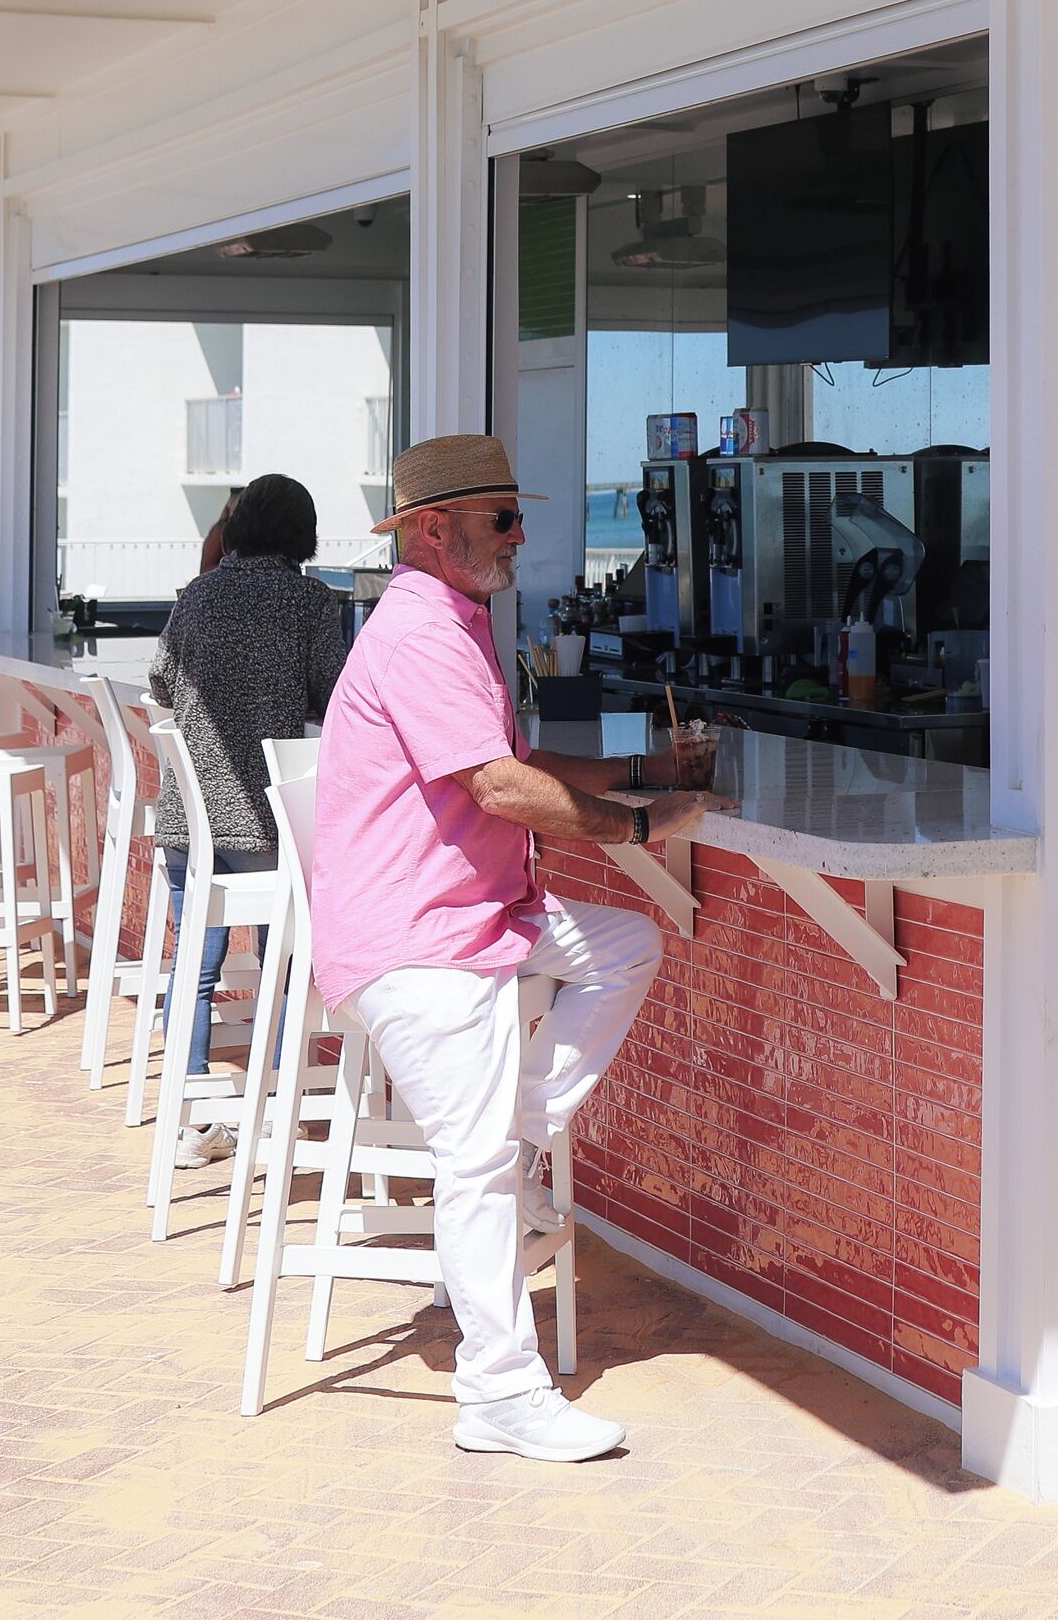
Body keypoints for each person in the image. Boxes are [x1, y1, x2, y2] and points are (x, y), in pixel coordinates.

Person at [315, 432, 710, 1463]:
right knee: (475, 1165)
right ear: (431, 531)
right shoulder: (422, 633)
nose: (521, 534)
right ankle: (498, 1390)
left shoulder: (455, 616)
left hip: (476, 917)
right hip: (424, 937)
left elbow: (516, 758)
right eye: (503, 518)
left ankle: (523, 1138)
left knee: (623, 946)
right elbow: (497, 788)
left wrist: (644, 763)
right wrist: (637, 824)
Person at [147, 471, 345, 1159]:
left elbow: (161, 682)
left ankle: (187, 1119)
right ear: (303, 535)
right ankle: (280, 1107)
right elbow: (335, 696)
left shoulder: (198, 595)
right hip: (263, 822)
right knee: (283, 959)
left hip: (189, 825)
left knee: (193, 970)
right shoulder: (312, 602)